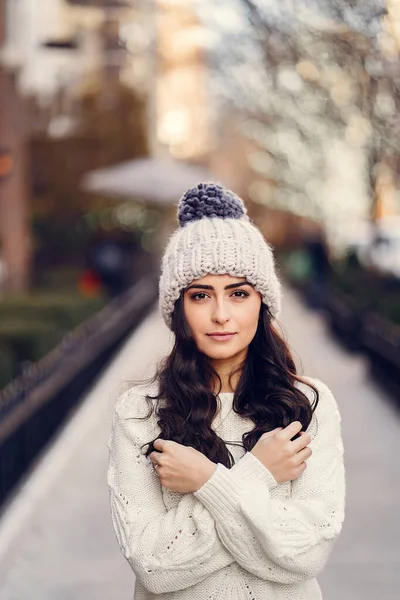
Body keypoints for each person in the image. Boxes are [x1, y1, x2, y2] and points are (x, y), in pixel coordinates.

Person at [107, 182, 346, 600]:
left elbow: (305, 555)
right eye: (201, 295)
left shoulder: (308, 405)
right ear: (179, 308)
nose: (221, 314)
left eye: (238, 293)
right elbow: (153, 566)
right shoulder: (139, 412)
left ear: (261, 303)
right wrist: (259, 474)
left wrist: (205, 479)